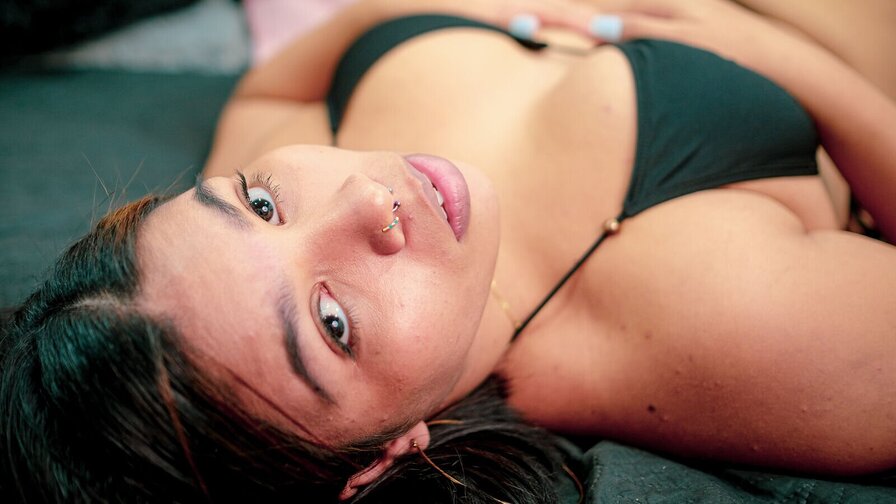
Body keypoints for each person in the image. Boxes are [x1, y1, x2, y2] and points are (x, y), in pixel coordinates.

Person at [3, 0, 896, 501]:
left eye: (258, 203)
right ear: (379, 459)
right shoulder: (733, 336)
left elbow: (277, 81)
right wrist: (776, 57)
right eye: (333, 322)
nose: (365, 198)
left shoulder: (221, 270)